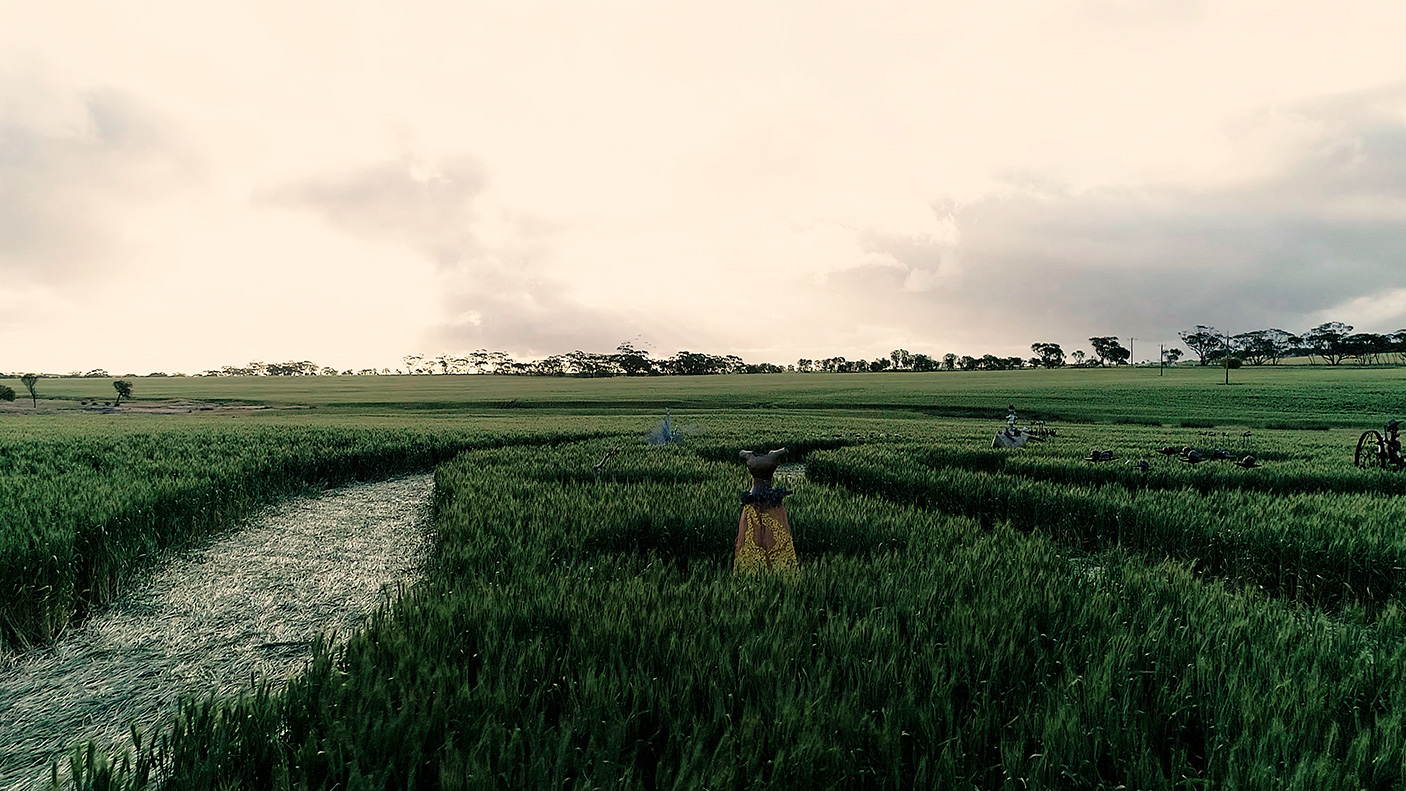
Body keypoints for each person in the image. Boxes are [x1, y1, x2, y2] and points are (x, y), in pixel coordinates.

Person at [734, 448, 799, 573]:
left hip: (753, 497)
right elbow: (785, 450)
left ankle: (756, 569)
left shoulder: (748, 456)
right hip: (770, 499)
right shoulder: (773, 455)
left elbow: (740, 452)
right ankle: (771, 568)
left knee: (754, 534)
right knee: (772, 535)